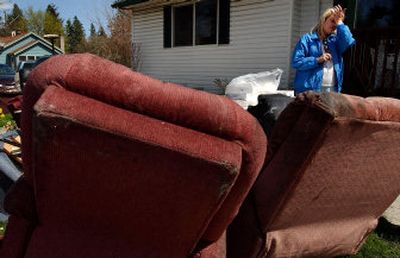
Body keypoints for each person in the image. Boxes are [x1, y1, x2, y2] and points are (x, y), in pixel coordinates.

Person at [292, 5, 355, 95]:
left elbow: (348, 40)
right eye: (332, 21)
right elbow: (296, 61)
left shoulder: (335, 41)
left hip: (332, 88)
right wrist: (317, 60)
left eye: (336, 23)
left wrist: (340, 22)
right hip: (310, 90)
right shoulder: (307, 39)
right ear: (323, 20)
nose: (334, 25)